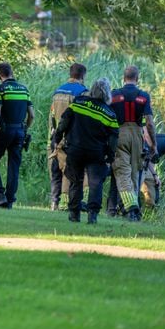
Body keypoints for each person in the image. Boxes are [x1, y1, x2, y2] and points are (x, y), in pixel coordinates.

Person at [53, 78, 119, 224]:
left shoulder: (78, 102)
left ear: (92, 90)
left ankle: (74, 214)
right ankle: (92, 216)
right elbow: (114, 138)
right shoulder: (110, 113)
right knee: (96, 184)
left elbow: (64, 121)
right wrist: (110, 155)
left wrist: (57, 138)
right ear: (108, 94)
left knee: (75, 181)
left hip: (75, 150)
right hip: (96, 153)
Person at [107, 65, 156, 221]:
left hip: (119, 133)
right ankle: (133, 210)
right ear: (137, 78)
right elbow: (149, 123)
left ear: (123, 78)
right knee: (135, 173)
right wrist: (153, 145)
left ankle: (127, 208)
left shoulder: (114, 94)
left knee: (122, 171)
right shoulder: (144, 96)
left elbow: (106, 115)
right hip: (137, 134)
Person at [0, 62, 35, 209]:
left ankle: (0, 195)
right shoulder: (24, 90)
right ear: (11, 72)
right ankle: (10, 200)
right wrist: (25, 128)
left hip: (3, 131)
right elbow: (31, 115)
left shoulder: (1, 89)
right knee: (14, 166)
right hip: (19, 132)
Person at [48, 62, 87, 210]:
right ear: (83, 76)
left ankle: (54, 203)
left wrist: (53, 135)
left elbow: (52, 115)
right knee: (70, 171)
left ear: (70, 74)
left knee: (56, 170)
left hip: (57, 135)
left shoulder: (57, 91)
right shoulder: (83, 92)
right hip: (72, 137)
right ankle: (67, 203)